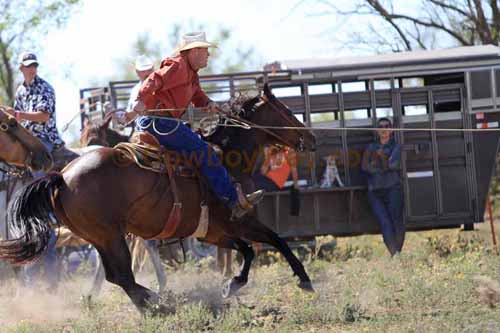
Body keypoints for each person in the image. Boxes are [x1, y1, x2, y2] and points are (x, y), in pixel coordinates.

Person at [126, 32, 263, 220]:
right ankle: (233, 200)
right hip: (159, 122)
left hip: (162, 123)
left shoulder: (191, 75)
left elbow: (198, 96)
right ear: (194, 51)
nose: (208, 55)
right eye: (205, 50)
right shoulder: (178, 65)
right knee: (204, 152)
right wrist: (140, 99)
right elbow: (154, 79)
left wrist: (209, 103)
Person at [11, 52, 62, 291]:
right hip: (27, 141)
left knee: (36, 165)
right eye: (27, 66)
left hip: (44, 141)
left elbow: (43, 116)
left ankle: (40, 204)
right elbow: (18, 123)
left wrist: (17, 115)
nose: (31, 69)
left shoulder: (46, 88)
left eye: (34, 66)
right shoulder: (20, 91)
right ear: (21, 68)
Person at [362, 117, 405, 256]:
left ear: (391, 129)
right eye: (381, 126)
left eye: (387, 126)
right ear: (377, 130)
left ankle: (398, 251)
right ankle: (394, 254)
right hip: (375, 190)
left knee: (396, 220)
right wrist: (382, 163)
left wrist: (378, 161)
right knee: (384, 222)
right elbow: (364, 166)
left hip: (393, 188)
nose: (384, 129)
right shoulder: (371, 146)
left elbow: (393, 166)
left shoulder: (396, 146)